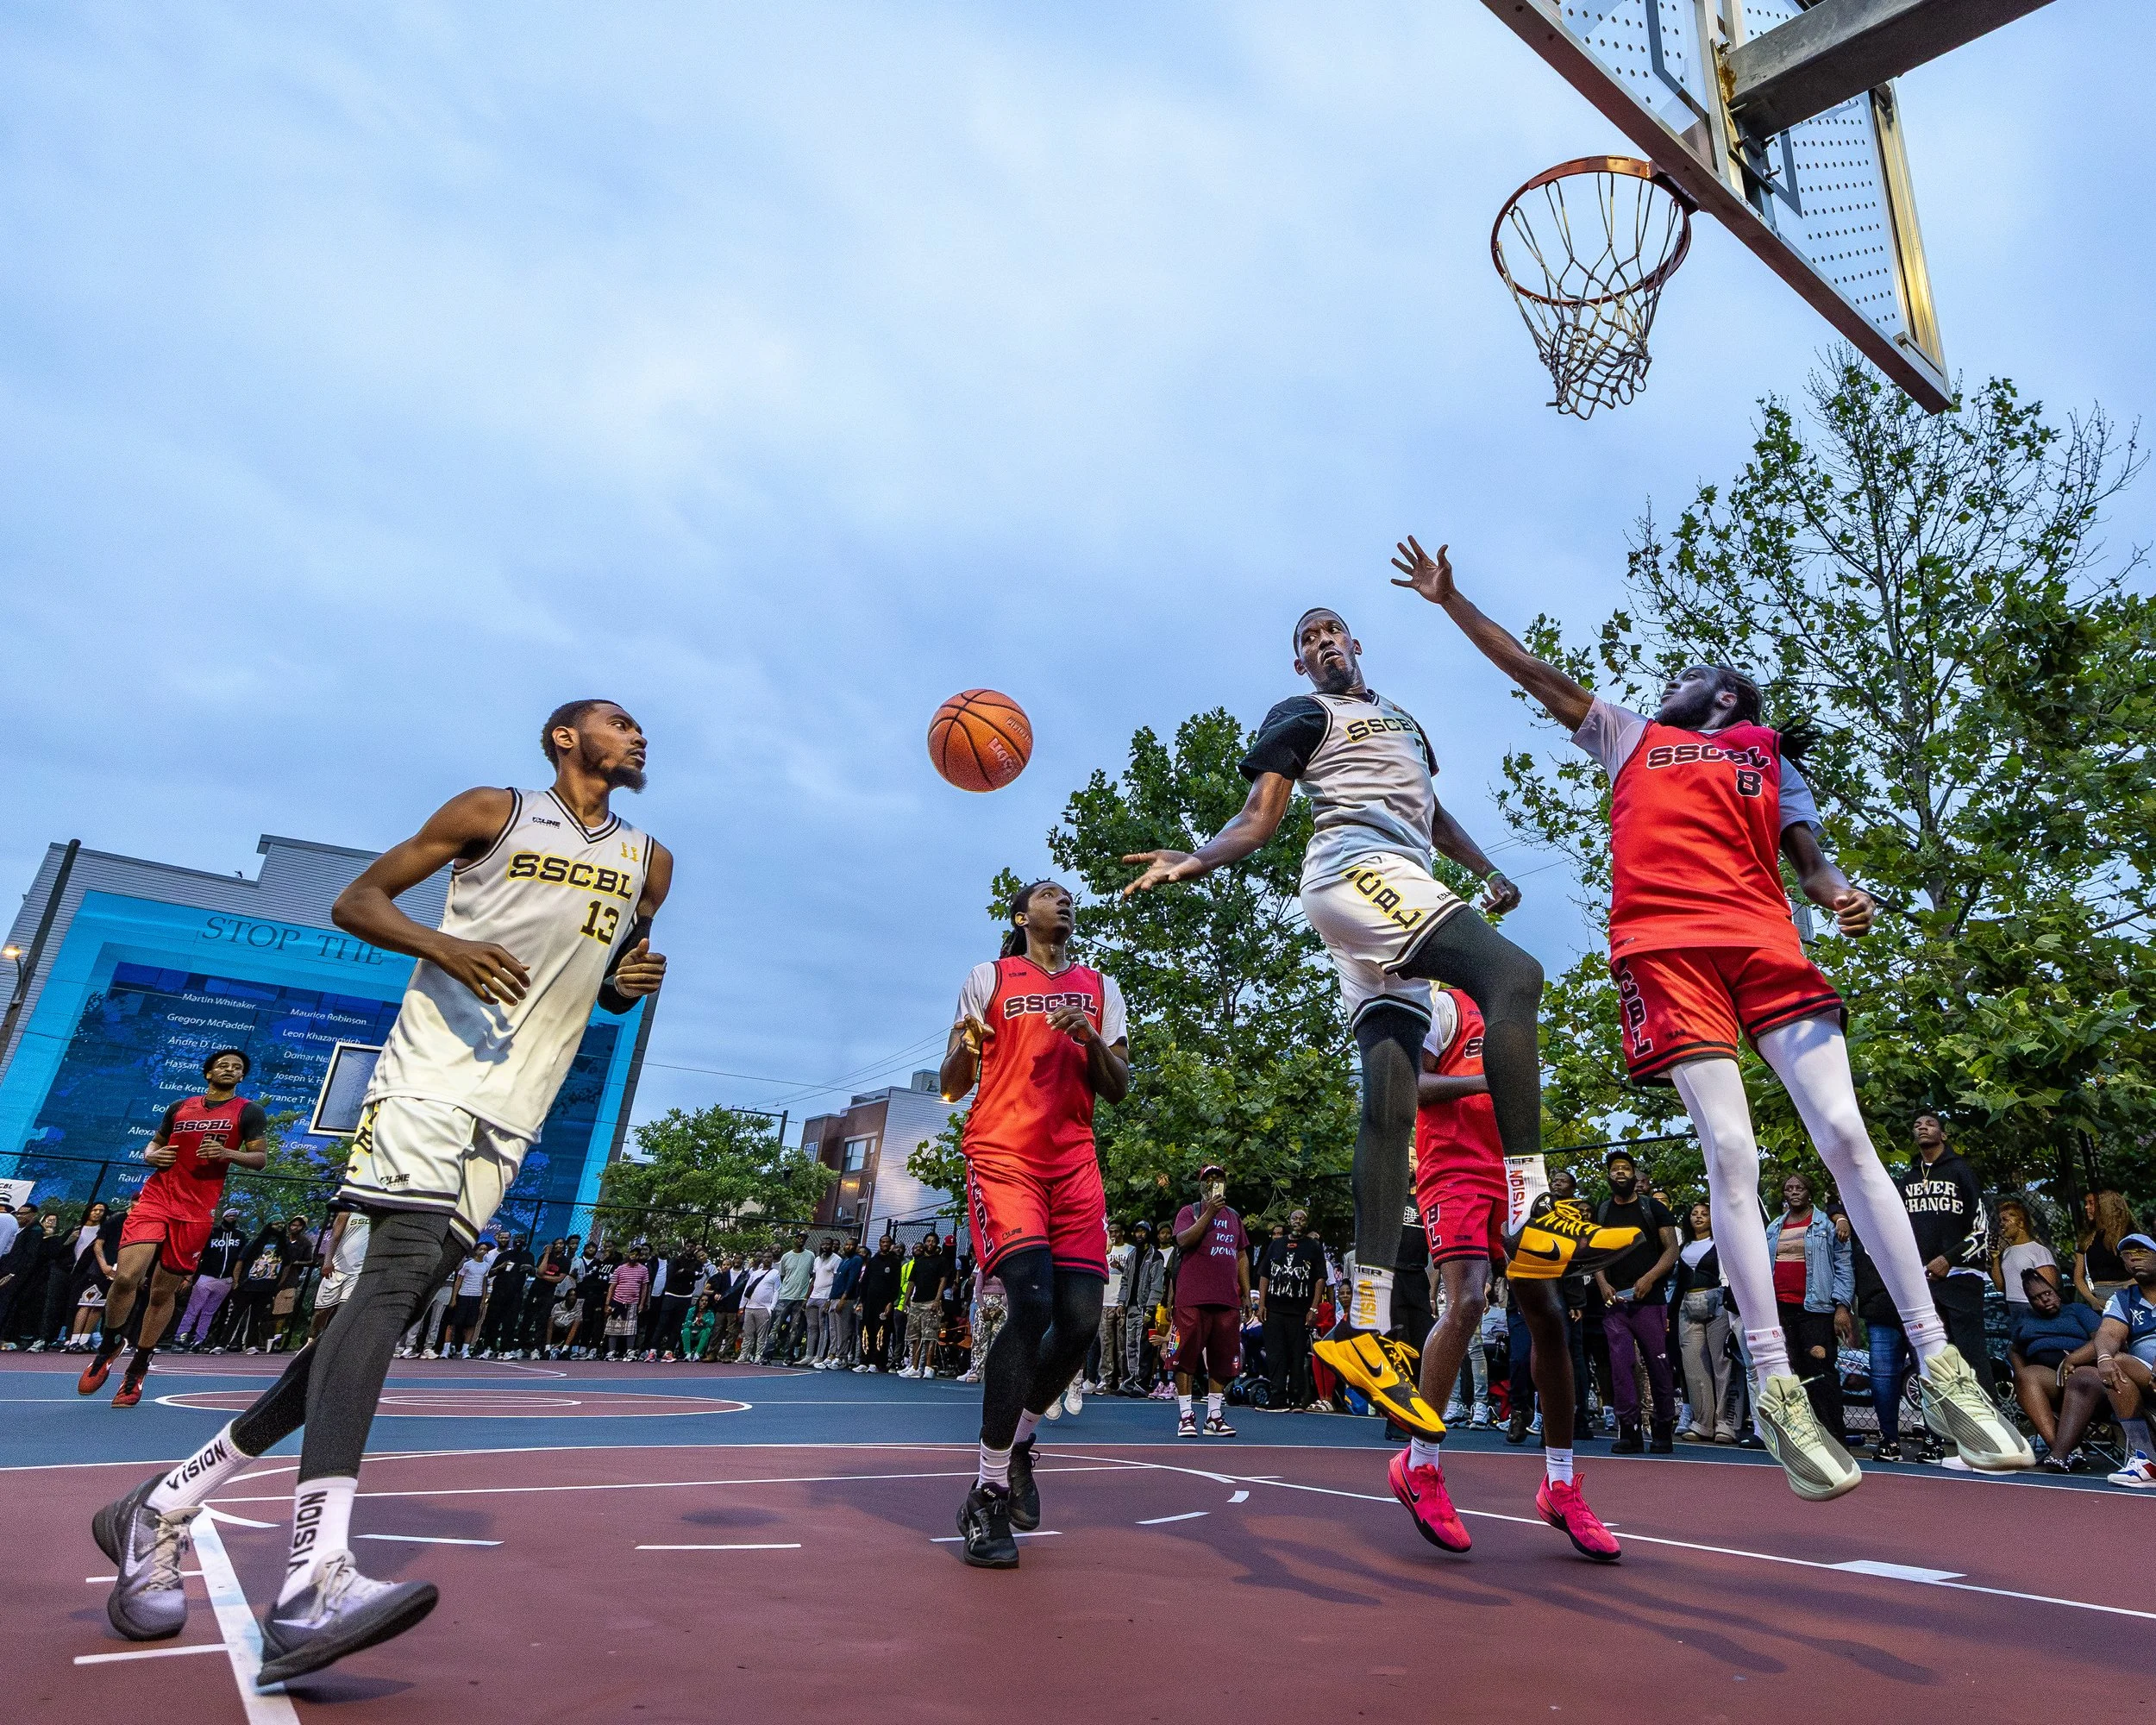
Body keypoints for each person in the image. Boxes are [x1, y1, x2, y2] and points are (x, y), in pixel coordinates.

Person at [1414, 535, 2030, 1496]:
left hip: (1764, 938)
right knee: (1733, 1154)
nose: (1670, 677)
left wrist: (1836, 893)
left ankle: (1941, 1361)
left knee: (1845, 1133)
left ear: (1729, 696)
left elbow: (1809, 855)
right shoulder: (1629, 735)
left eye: (1690, 671)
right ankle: (1776, 1381)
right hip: (1666, 945)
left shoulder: (1766, 755)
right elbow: (1535, 671)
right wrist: (1452, 602)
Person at [94, 695, 670, 1680]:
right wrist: (444, 945)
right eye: (616, 721)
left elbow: (611, 972)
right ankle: (315, 1576)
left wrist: (629, 981)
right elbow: (356, 901)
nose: (638, 733)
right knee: (396, 1276)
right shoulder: (494, 809)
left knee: (370, 1317)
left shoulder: (650, 860)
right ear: (564, 738)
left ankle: (164, 1502)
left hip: (516, 1107)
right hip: (430, 1075)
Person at [1120, 588, 1637, 1446]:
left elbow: (1430, 816)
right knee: (1513, 974)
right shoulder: (1302, 712)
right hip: (1352, 868)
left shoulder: (1403, 723)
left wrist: (1485, 868)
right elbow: (1261, 814)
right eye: (1307, 637)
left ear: (1356, 643)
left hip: (1387, 893)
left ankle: (1363, 1324)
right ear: (1300, 662)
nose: (1323, 642)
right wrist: (1200, 857)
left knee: (1388, 1099)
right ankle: (1537, 1202)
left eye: (1331, 630)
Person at [938, 878, 1129, 1567]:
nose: (1066, 899)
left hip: (1074, 1164)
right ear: (1022, 916)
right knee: (1034, 1299)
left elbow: (1119, 1087)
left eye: (1070, 894)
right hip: (1005, 1155)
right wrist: (969, 1044)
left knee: (1080, 1321)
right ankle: (986, 1495)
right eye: (1049, 894)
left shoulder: (1100, 986)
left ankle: (1019, 1444)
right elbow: (952, 1084)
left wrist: (1092, 1044)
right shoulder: (989, 976)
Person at [1393, 988, 1620, 1559]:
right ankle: (1418, 1466)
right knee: (1467, 1300)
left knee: (1546, 1317)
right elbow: (1410, 1087)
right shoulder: (1442, 1005)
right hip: (1455, 1170)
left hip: (1518, 1176)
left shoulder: (1513, 1018)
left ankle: (1561, 1483)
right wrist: (1483, 1082)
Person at [77, 1051, 270, 1406]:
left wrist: (229, 1154)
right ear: (209, 1072)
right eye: (224, 1064)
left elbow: (260, 1159)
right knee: (125, 1277)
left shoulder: (248, 1111)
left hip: (196, 1209)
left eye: (238, 1067)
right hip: (157, 1197)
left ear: (241, 1077)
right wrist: (151, 1155)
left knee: (163, 1294)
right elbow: (155, 1144)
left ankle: (139, 1366)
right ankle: (109, 1345)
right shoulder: (180, 1106)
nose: (230, 1069)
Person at [1594, 1151, 1683, 1455]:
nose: (1620, 1173)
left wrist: (1649, 1279)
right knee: (1621, 1365)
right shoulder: (1602, 1211)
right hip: (1615, 1303)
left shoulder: (1653, 1208)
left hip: (1650, 1300)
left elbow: (1671, 1250)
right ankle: (1628, 1430)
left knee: (1658, 1364)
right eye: (1615, 1169)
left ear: (1635, 1176)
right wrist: (1602, 1283)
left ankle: (1662, 1427)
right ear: (1609, 1177)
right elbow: (1596, 1253)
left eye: (1626, 1169)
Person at [1898, 1115, 1993, 1396]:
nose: (1922, 1127)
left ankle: (1991, 1426)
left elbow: (1982, 1229)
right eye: (1917, 1124)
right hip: (1923, 1283)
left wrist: (1948, 1258)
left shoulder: (1960, 1171)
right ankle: (1945, 1428)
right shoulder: (1908, 1178)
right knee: (1932, 1358)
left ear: (1944, 1135)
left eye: (1929, 1123)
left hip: (1961, 1278)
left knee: (1970, 1355)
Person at [1758, 1171, 1853, 1452]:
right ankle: (1805, 1438)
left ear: (1809, 1192)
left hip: (1816, 1311)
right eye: (1789, 1188)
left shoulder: (1826, 1224)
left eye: (1800, 1187)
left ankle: (1834, 1440)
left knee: (1821, 1373)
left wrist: (1842, 1306)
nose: (1794, 1191)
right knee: (1793, 1374)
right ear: (1784, 1195)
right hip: (1782, 1311)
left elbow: (1844, 1266)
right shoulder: (1775, 1228)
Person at [1171, 1164, 1249, 1439]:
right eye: (1209, 1179)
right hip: (1193, 1297)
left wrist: (1247, 1293)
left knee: (1223, 1360)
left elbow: (1241, 1255)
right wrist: (1210, 1212)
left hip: (1227, 1298)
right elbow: (1183, 1240)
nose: (1214, 1182)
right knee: (1185, 1357)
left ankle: (1214, 1416)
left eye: (1219, 1178)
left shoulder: (1235, 1217)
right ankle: (1186, 1415)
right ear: (1201, 1184)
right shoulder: (1189, 1211)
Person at [2006, 1271, 2103, 1469]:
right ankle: (2065, 1451)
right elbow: (2014, 1349)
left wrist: (2074, 1358)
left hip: (2084, 1376)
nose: (2044, 1300)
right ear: (2030, 1302)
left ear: (2057, 1293)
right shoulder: (2024, 1319)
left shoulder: (2077, 1311)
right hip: (2050, 1380)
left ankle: (2061, 1452)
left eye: (2047, 1294)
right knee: (2025, 1377)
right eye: (2036, 1298)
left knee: (2080, 1377)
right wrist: (2018, 1372)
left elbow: (2102, 1340)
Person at [2087, 1234, 2156, 1488]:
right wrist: (2104, 1357)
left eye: (2142, 1252)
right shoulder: (2123, 1299)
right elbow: (2108, 1333)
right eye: (2128, 1254)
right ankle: (2146, 1459)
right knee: (2116, 1364)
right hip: (2145, 1374)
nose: (2134, 1257)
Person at [1676, 1202, 1740, 1443]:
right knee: (1693, 1365)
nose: (1699, 1217)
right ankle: (1702, 1423)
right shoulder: (1682, 1246)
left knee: (1721, 1363)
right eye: (1695, 1214)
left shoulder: (1720, 1242)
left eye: (1705, 1213)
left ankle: (1724, 1423)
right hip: (1687, 1302)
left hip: (1717, 1300)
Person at [1257, 1209, 1326, 1412]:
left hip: (1299, 1310)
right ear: (1289, 1221)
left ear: (1306, 1223)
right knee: (1275, 1354)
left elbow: (1320, 1278)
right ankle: (1277, 1397)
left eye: (1302, 1219)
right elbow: (1264, 1274)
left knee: (1297, 1354)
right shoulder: (1276, 1244)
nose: (1298, 1222)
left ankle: (1297, 1398)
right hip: (1274, 1309)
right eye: (1294, 1218)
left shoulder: (1313, 1247)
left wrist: (1314, 1307)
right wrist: (1261, 1304)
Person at [1994, 1198, 2059, 1314]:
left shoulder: (2038, 1251)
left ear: (2020, 1222)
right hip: (2012, 1305)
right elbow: (2001, 1287)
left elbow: (2050, 1286)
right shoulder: (2006, 1253)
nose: (2001, 1224)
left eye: (2005, 1219)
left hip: (2032, 1306)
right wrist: (1994, 1259)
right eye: (2000, 1220)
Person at [2077, 1190, 2138, 1310]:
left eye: (2091, 1203)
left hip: (2128, 1292)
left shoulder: (2128, 1237)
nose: (2086, 1207)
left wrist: (2122, 1291)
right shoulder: (2086, 1240)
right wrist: (2092, 1300)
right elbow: (2078, 1277)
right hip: (2098, 1294)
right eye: (2086, 1203)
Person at [855, 1237, 903, 1371]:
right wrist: (862, 1301)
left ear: (891, 1245)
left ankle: (876, 1362)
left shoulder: (894, 1262)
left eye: (887, 1242)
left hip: (884, 1302)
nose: (885, 1244)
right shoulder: (873, 1261)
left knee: (881, 1331)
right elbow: (865, 1282)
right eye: (883, 1242)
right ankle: (864, 1361)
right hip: (869, 1301)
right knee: (866, 1329)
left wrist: (891, 1302)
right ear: (879, 1244)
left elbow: (896, 1284)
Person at [771, 1233, 814, 1365]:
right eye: (798, 1238)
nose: (800, 1240)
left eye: (803, 1239)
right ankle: (766, 1355)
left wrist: (806, 1296)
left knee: (794, 1329)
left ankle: (787, 1356)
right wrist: (787, 1289)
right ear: (794, 1240)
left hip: (800, 1298)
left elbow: (812, 1275)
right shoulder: (786, 1256)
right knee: (775, 1326)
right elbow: (783, 1276)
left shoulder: (810, 1256)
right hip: (785, 1297)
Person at [606, 1249, 651, 1361]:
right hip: (617, 1301)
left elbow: (644, 1288)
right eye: (632, 1254)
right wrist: (608, 1303)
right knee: (614, 1327)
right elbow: (612, 1286)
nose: (634, 1256)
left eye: (636, 1255)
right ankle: (611, 1351)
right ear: (628, 1255)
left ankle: (629, 1351)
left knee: (631, 1328)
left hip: (633, 1302)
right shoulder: (620, 1268)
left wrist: (642, 1303)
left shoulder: (643, 1269)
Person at [741, 1252, 781, 1362]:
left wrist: (771, 1307)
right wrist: (742, 1305)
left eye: (769, 1257)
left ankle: (759, 1355)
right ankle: (744, 1354)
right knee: (748, 1333)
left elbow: (777, 1290)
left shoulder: (775, 1273)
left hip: (764, 1308)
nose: (767, 1259)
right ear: (762, 1259)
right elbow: (747, 1290)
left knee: (762, 1335)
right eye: (765, 1257)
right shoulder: (755, 1273)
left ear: (772, 1259)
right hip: (750, 1307)